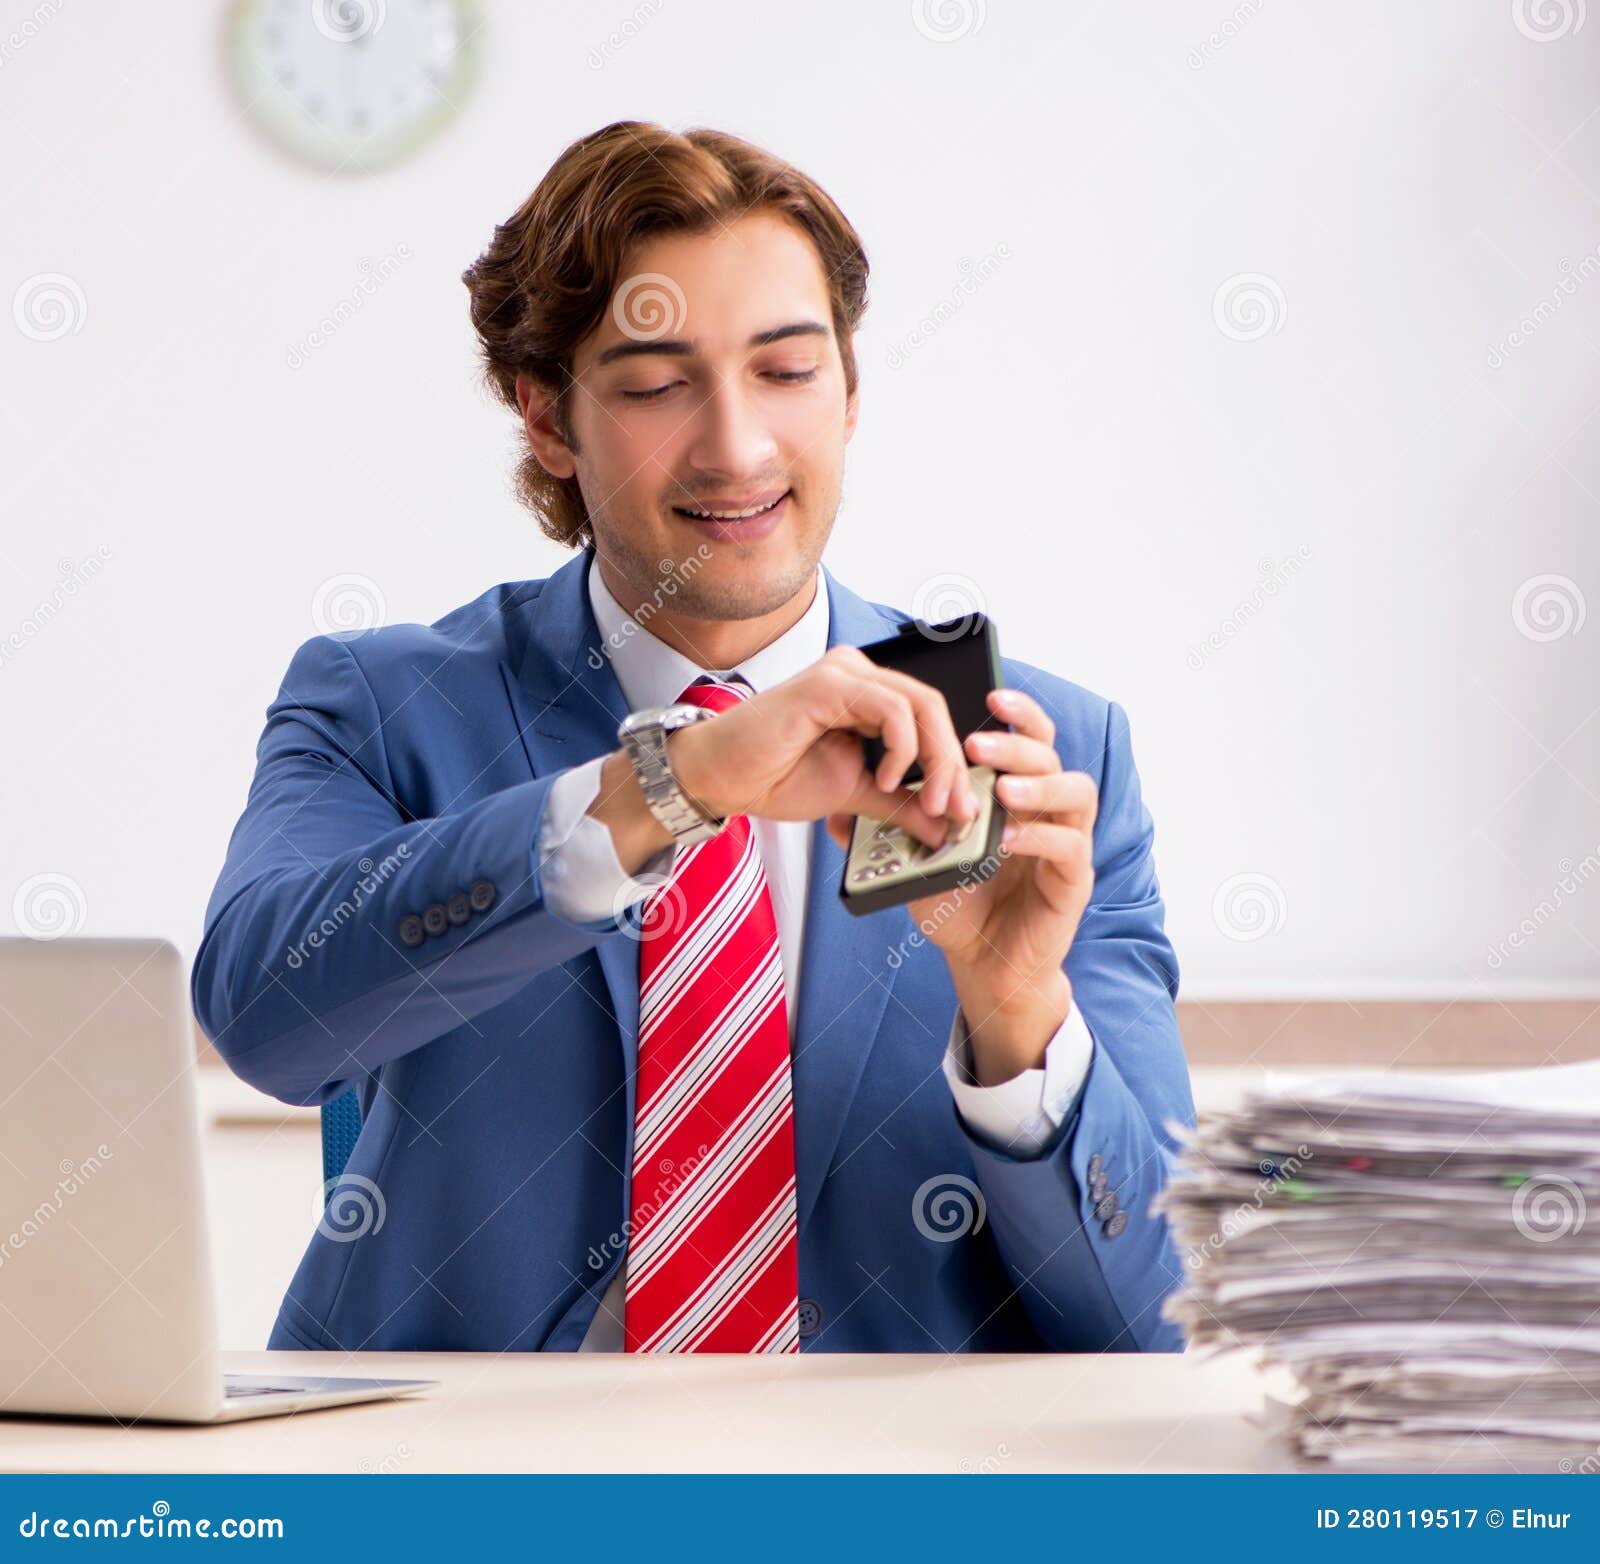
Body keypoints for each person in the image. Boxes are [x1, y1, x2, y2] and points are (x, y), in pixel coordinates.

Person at [192, 120, 1194, 1355]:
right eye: (658, 385)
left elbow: (1157, 1321)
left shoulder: (1040, 753)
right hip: (469, 1487)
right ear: (547, 419)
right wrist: (671, 785)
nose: (737, 446)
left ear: (850, 392)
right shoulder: (384, 704)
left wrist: (1016, 1009)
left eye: (786, 370)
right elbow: (265, 1022)